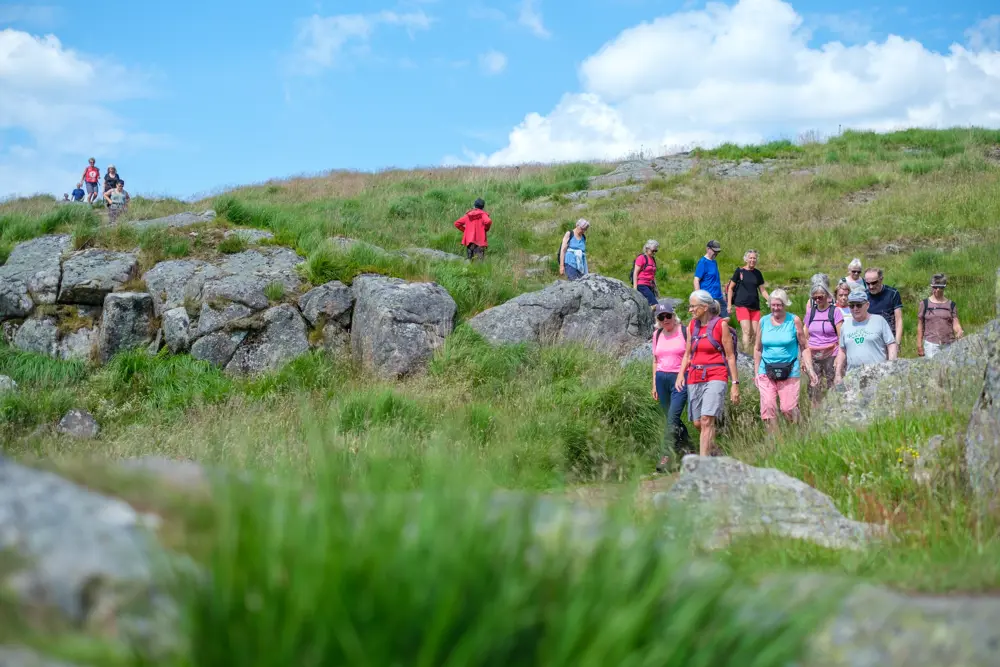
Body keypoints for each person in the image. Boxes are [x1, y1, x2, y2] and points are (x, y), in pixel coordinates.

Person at [676, 290, 740, 457]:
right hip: (694, 376)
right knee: (698, 422)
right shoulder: (691, 326)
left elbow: (730, 356)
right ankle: (714, 450)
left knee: (706, 420)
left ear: (704, 307)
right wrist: (680, 374)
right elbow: (688, 354)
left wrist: (735, 384)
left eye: (693, 306)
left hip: (716, 375)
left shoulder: (721, 325)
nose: (690, 310)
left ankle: (703, 465)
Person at [754, 289, 817, 433]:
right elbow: (757, 349)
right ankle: (776, 443)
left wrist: (810, 369)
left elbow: (804, 346)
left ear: (785, 304)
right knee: (768, 408)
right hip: (766, 369)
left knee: (787, 408)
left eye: (779, 305)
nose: (776, 308)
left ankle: (801, 431)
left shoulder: (793, 320)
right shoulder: (763, 321)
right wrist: (756, 372)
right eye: (773, 305)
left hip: (790, 369)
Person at [651, 302, 690, 472]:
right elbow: (655, 360)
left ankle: (665, 455)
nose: (665, 319)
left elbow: (690, 356)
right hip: (661, 378)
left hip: (679, 378)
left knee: (672, 417)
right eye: (661, 317)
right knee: (670, 417)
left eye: (668, 316)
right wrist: (654, 384)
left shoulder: (684, 331)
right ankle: (689, 448)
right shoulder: (657, 334)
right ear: (658, 320)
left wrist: (683, 375)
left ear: (674, 316)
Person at [835, 288, 898, 383]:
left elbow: (891, 344)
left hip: (877, 375)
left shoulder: (879, 321)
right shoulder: (845, 325)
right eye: (851, 306)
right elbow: (842, 350)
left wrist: (891, 365)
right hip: (853, 377)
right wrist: (838, 374)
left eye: (859, 305)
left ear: (867, 305)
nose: (855, 308)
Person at [803, 276, 843, 407]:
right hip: (814, 354)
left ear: (827, 295)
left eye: (821, 297)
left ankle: (834, 409)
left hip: (831, 353)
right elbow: (805, 337)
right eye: (815, 298)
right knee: (814, 385)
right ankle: (816, 412)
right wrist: (804, 359)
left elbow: (841, 336)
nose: (818, 300)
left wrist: (839, 357)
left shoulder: (835, 312)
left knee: (832, 384)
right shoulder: (811, 313)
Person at [726, 249, 769, 352]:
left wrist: (771, 300)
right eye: (750, 258)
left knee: (755, 332)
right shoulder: (739, 271)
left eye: (754, 258)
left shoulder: (758, 273)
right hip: (741, 305)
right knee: (747, 330)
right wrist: (728, 305)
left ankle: (753, 352)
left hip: (754, 306)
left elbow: (762, 290)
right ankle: (746, 353)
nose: (752, 260)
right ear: (746, 259)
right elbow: (730, 288)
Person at [917, 273, 964, 359]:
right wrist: (919, 345)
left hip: (949, 344)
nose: (938, 290)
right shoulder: (924, 304)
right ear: (931, 287)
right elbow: (920, 325)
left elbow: (955, 323)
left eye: (941, 287)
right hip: (931, 345)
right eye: (935, 287)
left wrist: (959, 331)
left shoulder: (951, 304)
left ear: (944, 287)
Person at [864, 267, 903, 347]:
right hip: (869, 339)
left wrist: (897, 342)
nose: (871, 286)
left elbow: (898, 319)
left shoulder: (892, 293)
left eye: (874, 283)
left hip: (889, 339)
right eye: (867, 283)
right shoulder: (863, 296)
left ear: (881, 279)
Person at [693, 240, 727, 318]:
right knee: (711, 321)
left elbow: (716, 279)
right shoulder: (703, 262)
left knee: (725, 319)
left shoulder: (714, 262)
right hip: (709, 298)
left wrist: (723, 293)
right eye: (714, 251)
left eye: (717, 252)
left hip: (719, 297)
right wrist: (698, 297)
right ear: (708, 249)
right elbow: (696, 280)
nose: (716, 253)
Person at [632, 240, 660, 308]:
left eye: (656, 251)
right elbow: (635, 273)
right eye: (653, 250)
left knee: (652, 305)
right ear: (647, 248)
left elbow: (653, 275)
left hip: (650, 285)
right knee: (655, 305)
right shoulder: (641, 258)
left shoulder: (653, 259)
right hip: (642, 285)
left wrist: (656, 289)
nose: (654, 252)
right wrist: (635, 289)